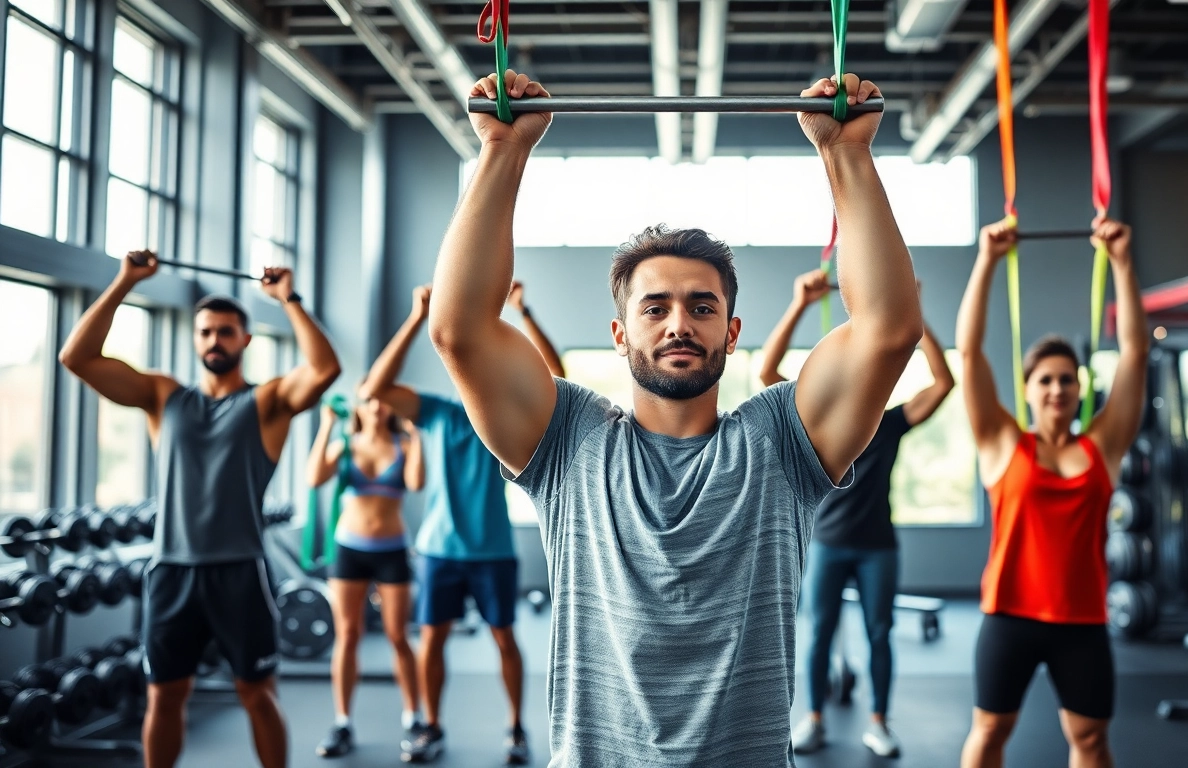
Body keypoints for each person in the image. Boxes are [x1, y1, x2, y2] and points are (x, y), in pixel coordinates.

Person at [428, 68, 922, 767]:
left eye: (702, 306)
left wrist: (847, 154)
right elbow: (459, 330)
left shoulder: (780, 442)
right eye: (655, 308)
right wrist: (502, 151)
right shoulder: (570, 440)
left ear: (732, 331)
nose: (679, 324)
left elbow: (888, 330)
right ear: (620, 333)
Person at [59, 253, 341, 768]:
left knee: (257, 694)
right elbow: (76, 358)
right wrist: (125, 281)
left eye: (226, 332)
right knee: (165, 696)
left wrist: (289, 300)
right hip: (171, 572)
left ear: (245, 340)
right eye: (206, 332)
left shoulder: (267, 403)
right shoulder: (162, 396)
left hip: (240, 572)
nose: (215, 340)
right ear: (195, 339)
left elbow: (325, 370)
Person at [955, 218, 1147, 768]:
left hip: (1082, 620)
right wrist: (987, 260)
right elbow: (969, 353)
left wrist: (1122, 262)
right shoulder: (1001, 442)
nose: (1057, 388)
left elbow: (1134, 353)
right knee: (989, 733)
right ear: (1028, 389)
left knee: (1090, 740)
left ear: (1080, 387)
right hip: (1008, 615)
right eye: (1045, 379)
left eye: (1067, 378)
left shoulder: (1103, 446)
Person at [359, 280, 566, 765]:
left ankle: (516, 728)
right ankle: (430, 725)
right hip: (439, 550)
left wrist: (524, 311)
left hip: (492, 550)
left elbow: (559, 379)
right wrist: (417, 317)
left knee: (504, 639)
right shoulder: (437, 413)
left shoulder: (506, 416)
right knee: (432, 639)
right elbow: (373, 389)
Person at [760, 273, 954, 757]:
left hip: (877, 547)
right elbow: (766, 371)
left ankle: (879, 723)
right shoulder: (816, 421)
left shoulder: (890, 423)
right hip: (826, 543)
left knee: (879, 634)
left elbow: (944, 382)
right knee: (818, 634)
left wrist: (914, 311)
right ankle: (814, 719)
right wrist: (800, 303)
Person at [306, 389, 425, 758]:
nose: (376, 406)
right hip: (350, 549)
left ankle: (414, 717)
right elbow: (313, 477)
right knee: (347, 634)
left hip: (392, 550)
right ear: (359, 406)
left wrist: (416, 434)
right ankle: (342, 722)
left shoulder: (404, 445)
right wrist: (326, 426)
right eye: (370, 399)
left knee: (398, 635)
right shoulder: (345, 445)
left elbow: (417, 483)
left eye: (383, 399)